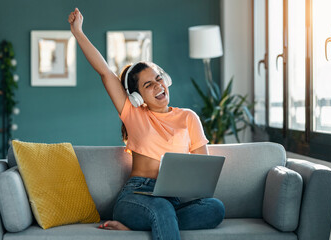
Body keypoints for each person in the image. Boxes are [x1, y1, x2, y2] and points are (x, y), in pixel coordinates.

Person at [68, 8, 225, 240]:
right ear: (137, 96)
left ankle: (142, 227)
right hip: (137, 196)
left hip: (173, 198)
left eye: (159, 79)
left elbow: (203, 169)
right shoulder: (133, 113)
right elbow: (104, 72)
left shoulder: (189, 117)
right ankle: (158, 219)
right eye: (148, 85)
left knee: (215, 208)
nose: (158, 86)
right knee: (160, 209)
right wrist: (78, 32)